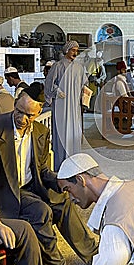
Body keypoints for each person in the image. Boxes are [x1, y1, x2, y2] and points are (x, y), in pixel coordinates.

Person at [0, 83, 98, 265]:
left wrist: (60, 181)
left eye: (29, 115)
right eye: (19, 111)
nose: (22, 119)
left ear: (39, 112)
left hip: (30, 188)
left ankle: (94, 255)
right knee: (41, 212)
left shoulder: (40, 131)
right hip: (1, 194)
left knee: (63, 202)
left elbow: (42, 170)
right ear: (15, 104)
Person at [44, 40, 88, 171]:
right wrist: (56, 91)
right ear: (66, 51)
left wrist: (85, 92)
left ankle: (74, 163)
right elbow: (49, 84)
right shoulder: (57, 66)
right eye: (73, 50)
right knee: (62, 132)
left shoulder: (79, 67)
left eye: (76, 50)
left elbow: (84, 83)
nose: (75, 53)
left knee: (74, 131)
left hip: (74, 105)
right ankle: (61, 165)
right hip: (61, 105)